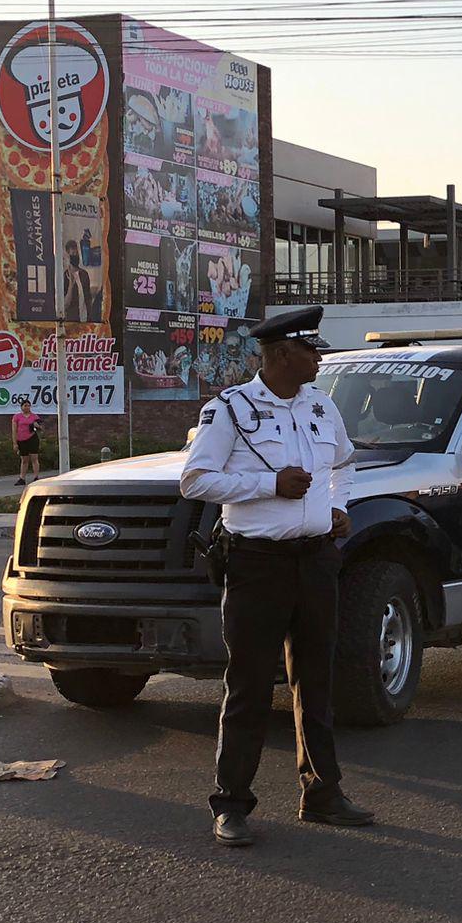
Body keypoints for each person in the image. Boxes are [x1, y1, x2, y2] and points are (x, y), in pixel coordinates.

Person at [179, 305, 372, 848]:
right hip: (255, 564)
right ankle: (232, 805)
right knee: (249, 685)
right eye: (311, 350)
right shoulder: (232, 410)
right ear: (282, 354)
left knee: (317, 681)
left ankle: (323, 794)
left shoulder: (321, 406)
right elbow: (195, 481)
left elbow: (344, 464)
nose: (318, 358)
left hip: (315, 559)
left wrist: (337, 505)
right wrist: (269, 485)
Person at [12, 400, 43, 486]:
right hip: (21, 439)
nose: (27, 407)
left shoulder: (34, 416)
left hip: (32, 438)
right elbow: (14, 430)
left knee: (34, 458)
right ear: (21, 407)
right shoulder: (17, 417)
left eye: (28, 406)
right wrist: (15, 443)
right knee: (24, 459)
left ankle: (36, 477)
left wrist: (37, 426)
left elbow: (41, 427)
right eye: (25, 406)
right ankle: (22, 478)